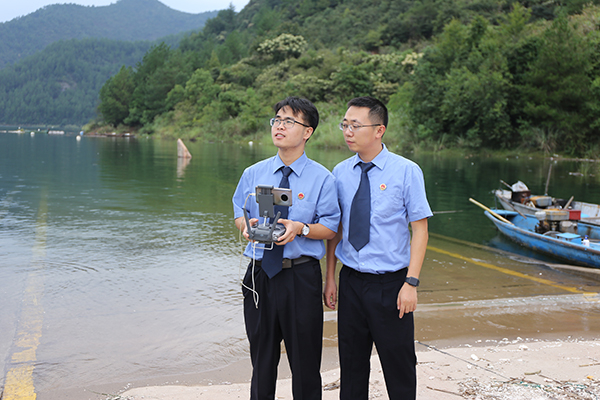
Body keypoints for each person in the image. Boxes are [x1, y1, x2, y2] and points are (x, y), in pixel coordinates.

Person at [324, 96, 432, 400]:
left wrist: (411, 283)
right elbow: (336, 230)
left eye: (355, 126)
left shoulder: (406, 171)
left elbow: (420, 230)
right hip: (351, 282)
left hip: (391, 285)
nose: (348, 132)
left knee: (399, 366)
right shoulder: (340, 172)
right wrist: (330, 277)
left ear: (379, 130)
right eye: (345, 125)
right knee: (352, 366)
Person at [232, 96, 340, 400]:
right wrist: (246, 227)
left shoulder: (323, 178)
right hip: (259, 275)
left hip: (300, 277)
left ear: (307, 132)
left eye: (289, 121)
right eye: (277, 120)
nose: (279, 126)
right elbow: (239, 212)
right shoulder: (254, 172)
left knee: (305, 362)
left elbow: (330, 227)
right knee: (261, 359)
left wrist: (300, 228)